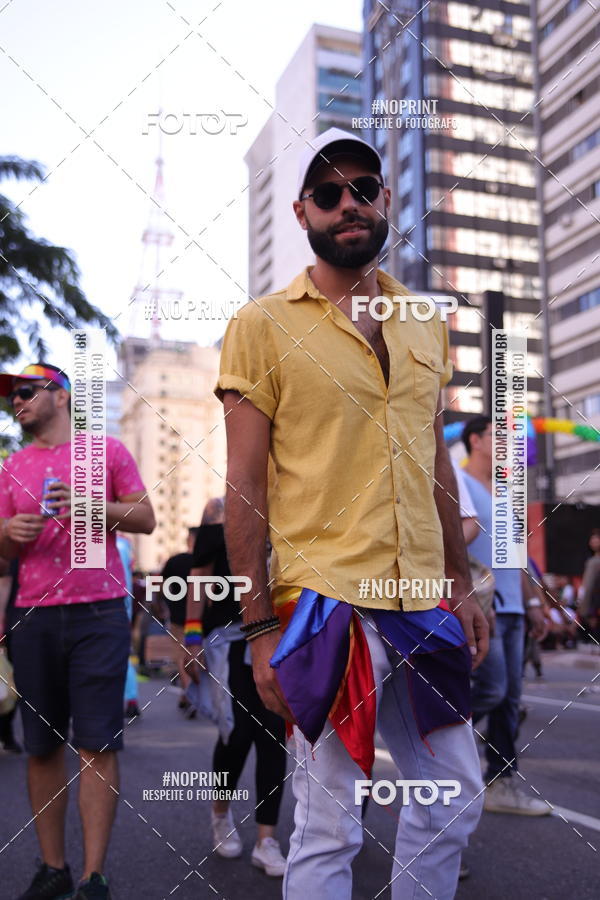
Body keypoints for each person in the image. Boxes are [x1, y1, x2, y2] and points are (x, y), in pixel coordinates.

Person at [214, 128, 488, 899]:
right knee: (330, 820)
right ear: (303, 212)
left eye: (363, 189)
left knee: (455, 795)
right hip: (325, 603)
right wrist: (261, 627)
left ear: (386, 200)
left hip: (420, 599)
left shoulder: (424, 321)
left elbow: (434, 458)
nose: (348, 205)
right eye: (329, 195)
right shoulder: (261, 325)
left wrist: (460, 582)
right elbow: (244, 485)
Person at [0, 363, 155, 900]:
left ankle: (92, 877)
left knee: (96, 744)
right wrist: (6, 533)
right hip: (33, 615)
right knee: (41, 748)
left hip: (100, 612)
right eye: (11, 397)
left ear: (59, 395)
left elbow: (147, 518)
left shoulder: (105, 451)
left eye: (24, 392)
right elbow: (2, 551)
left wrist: (93, 506)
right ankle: (53, 868)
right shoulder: (12, 465)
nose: (16, 402)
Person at [185, 498, 287, 877]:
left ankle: (266, 839)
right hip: (228, 637)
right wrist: (192, 636)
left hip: (277, 636)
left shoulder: (287, 509)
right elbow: (198, 577)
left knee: (274, 733)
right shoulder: (218, 517)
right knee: (237, 733)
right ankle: (220, 814)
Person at [462, 415, 550, 815]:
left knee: (509, 701)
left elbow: (519, 557)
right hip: (482, 607)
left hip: (514, 607)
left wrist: (533, 602)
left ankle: (499, 782)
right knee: (493, 690)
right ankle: (435, 736)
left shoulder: (505, 493)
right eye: (499, 438)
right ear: (476, 441)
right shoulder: (459, 483)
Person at [160, 526, 198, 714]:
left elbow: (161, 586)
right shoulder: (205, 562)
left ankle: (190, 696)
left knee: (181, 658)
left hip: (177, 619)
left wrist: (163, 608)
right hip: (200, 620)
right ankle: (188, 695)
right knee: (200, 657)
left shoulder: (175, 562)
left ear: (188, 539)